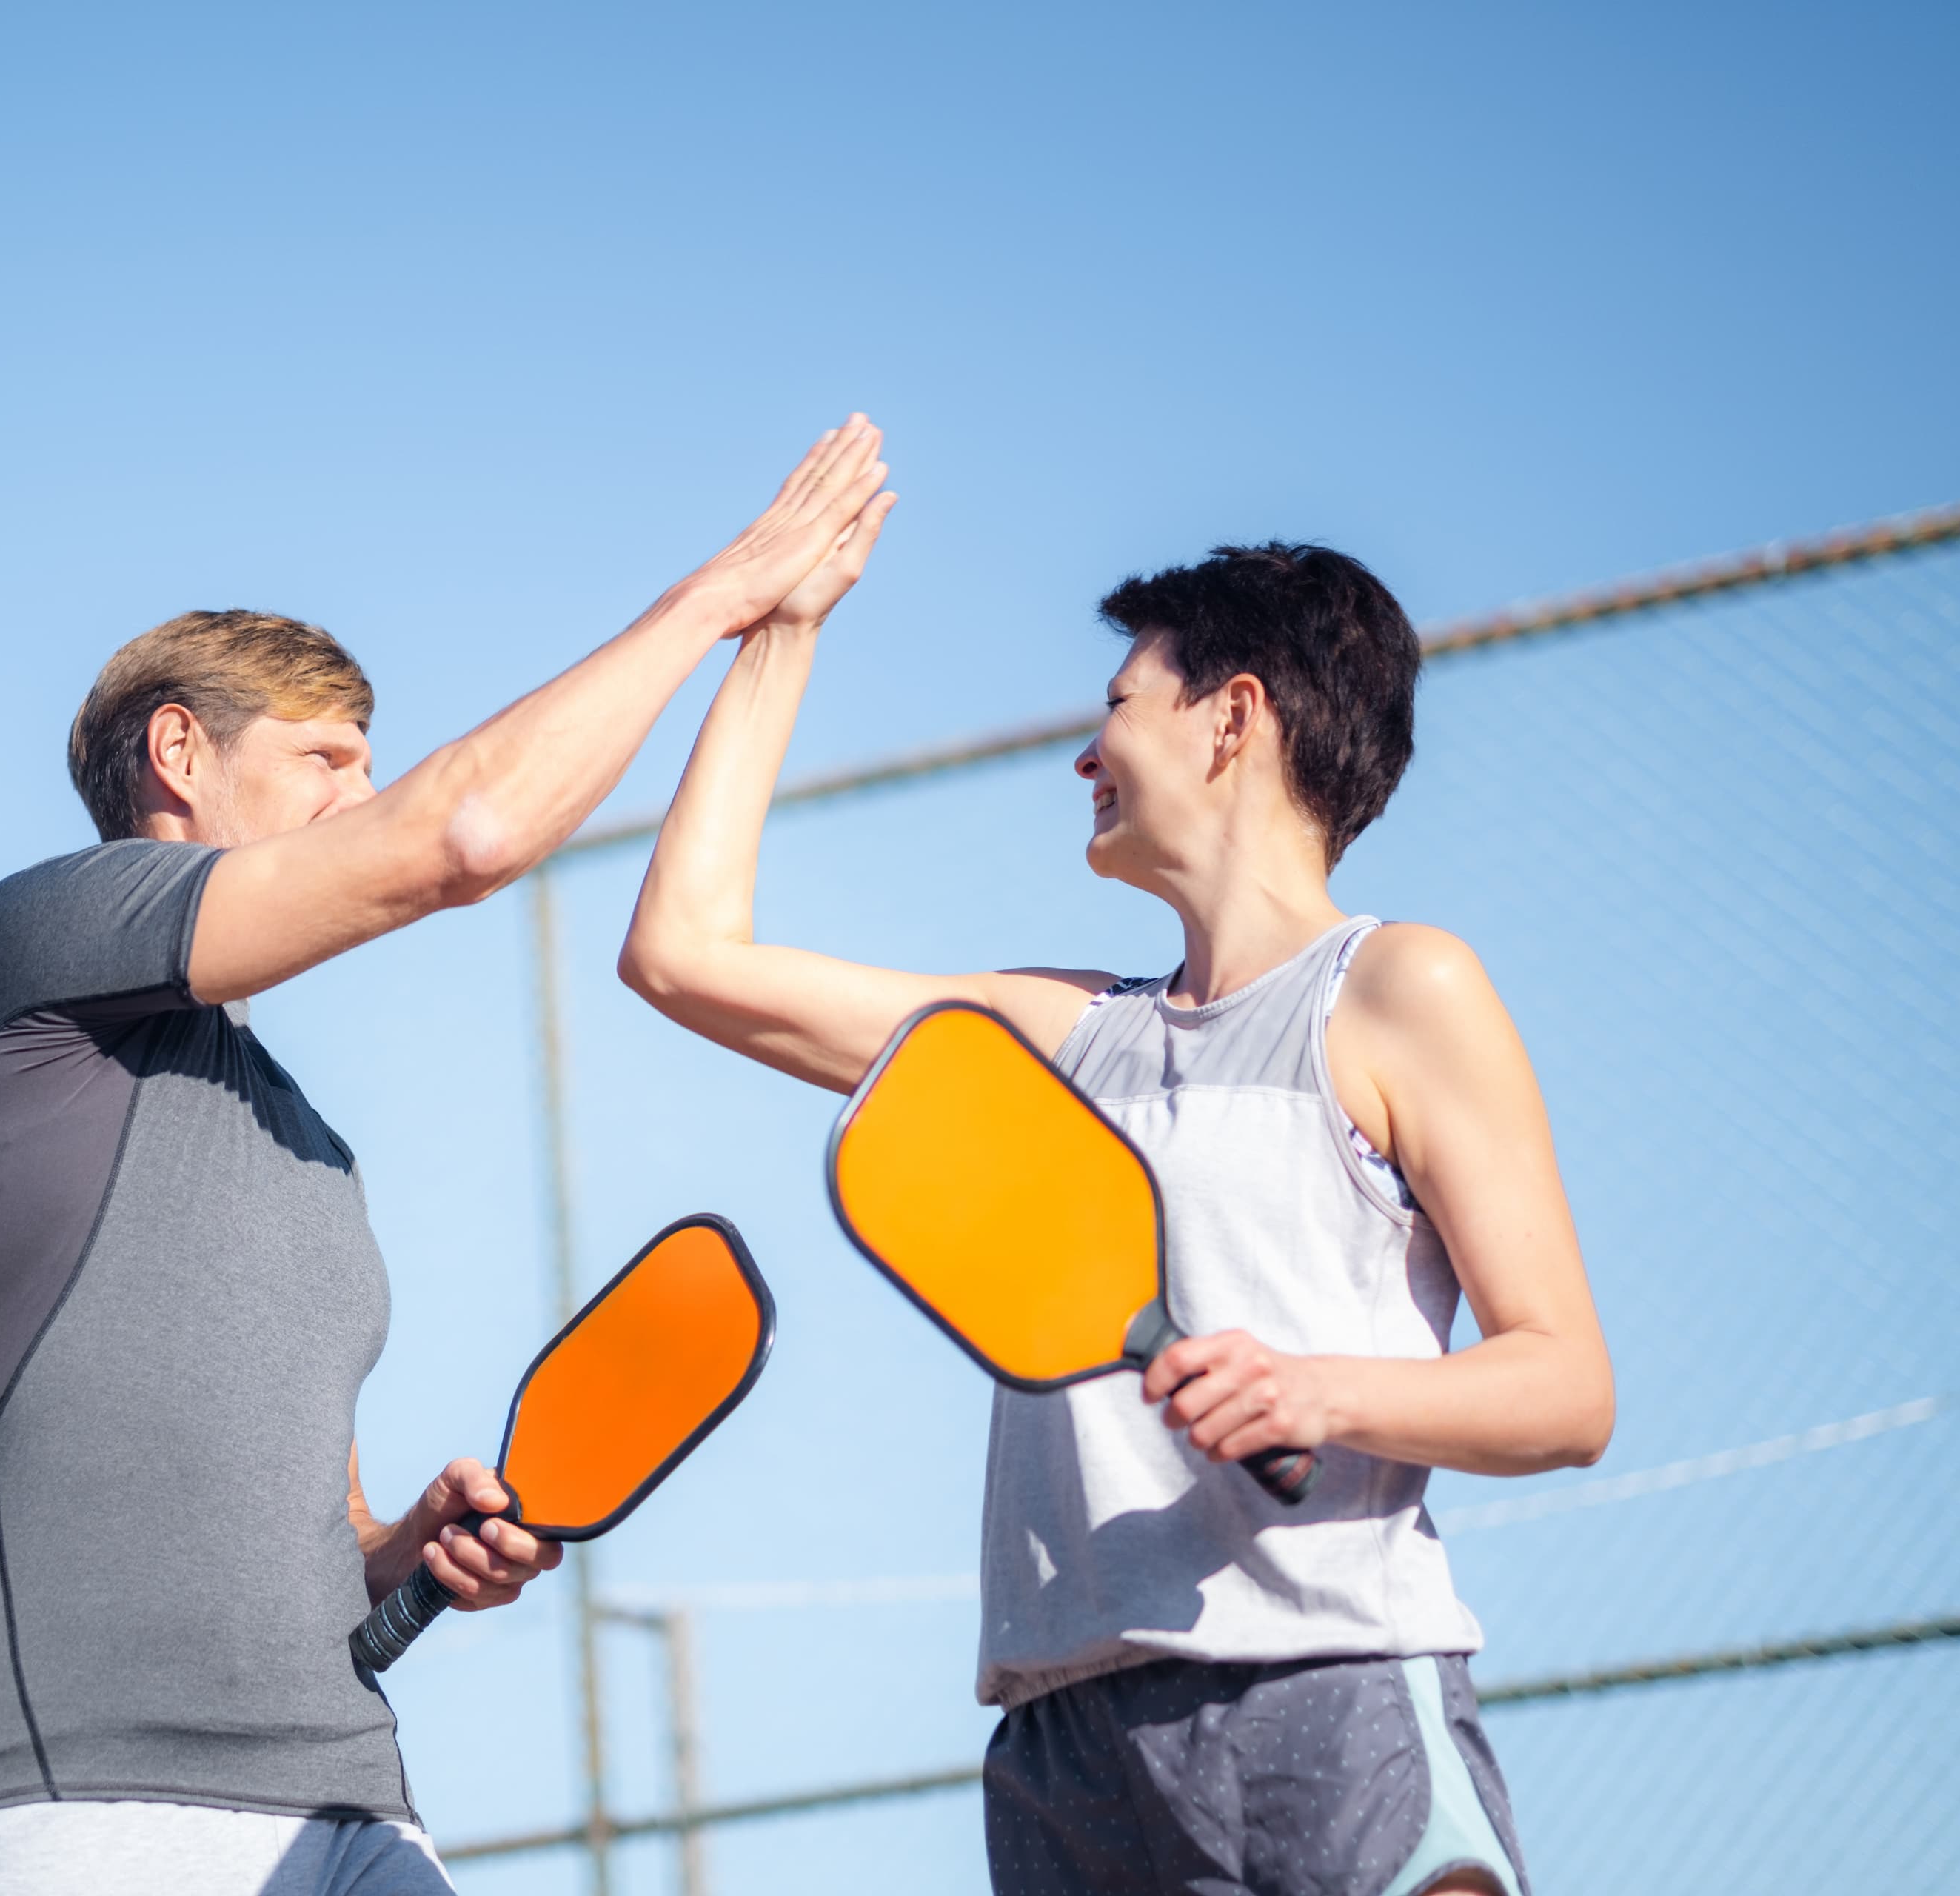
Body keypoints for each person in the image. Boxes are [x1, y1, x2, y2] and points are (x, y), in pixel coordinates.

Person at [0, 420, 894, 1896]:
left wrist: (410, 1548)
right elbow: (465, 831)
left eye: (369, 763)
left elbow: (322, 1548)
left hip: (350, 1802)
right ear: (178, 751)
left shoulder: (308, 1144)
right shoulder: (23, 953)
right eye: (321, 759)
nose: (356, 798)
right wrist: (725, 594)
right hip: (84, 1808)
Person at [615, 528, 1615, 1896]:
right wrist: (778, 632)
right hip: (1062, 1744)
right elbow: (681, 957)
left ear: (1235, 718)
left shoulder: (1398, 990)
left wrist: (1315, 1391)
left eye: (1119, 708)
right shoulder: (1062, 1036)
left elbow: (1567, 1388)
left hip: (1322, 1692)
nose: (1086, 756)